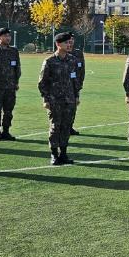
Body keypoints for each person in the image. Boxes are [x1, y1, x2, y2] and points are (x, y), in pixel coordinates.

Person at [38, 32, 80, 165]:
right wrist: (45, 99)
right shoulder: (49, 61)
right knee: (55, 127)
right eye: (66, 43)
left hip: (69, 100)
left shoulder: (72, 60)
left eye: (70, 42)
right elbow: (42, 82)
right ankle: (54, 154)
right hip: (54, 100)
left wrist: (76, 95)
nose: (69, 45)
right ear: (58, 44)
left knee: (66, 127)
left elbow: (74, 80)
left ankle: (64, 153)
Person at [69, 35, 86, 135]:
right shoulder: (63, 53)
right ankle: (63, 128)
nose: (70, 42)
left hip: (75, 85)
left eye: (72, 40)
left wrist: (80, 83)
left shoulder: (78, 53)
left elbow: (82, 69)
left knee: (73, 107)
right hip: (62, 86)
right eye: (68, 40)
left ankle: (70, 127)